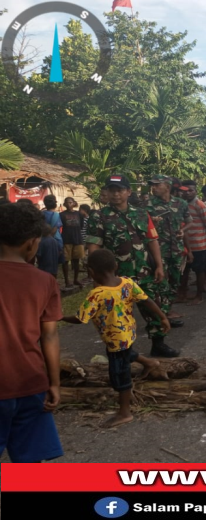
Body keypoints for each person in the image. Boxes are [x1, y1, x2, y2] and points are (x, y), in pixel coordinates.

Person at [61, 249, 167, 427]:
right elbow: (146, 300)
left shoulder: (97, 294)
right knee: (127, 353)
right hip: (128, 333)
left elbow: (80, 318)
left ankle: (124, 412)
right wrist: (162, 317)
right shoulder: (127, 282)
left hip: (116, 341)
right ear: (116, 266)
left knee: (120, 375)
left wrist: (61, 316)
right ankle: (149, 363)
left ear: (91, 271)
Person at [86, 175, 177, 358]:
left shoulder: (142, 214)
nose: (116, 194)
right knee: (119, 314)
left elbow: (152, 241)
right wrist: (96, 274)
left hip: (145, 270)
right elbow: (94, 246)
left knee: (154, 305)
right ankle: (125, 350)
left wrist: (159, 266)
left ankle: (158, 344)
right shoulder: (99, 216)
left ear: (128, 192)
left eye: (120, 190)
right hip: (116, 275)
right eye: (112, 190)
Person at [0, 202, 64, 462]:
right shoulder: (45, 281)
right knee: (29, 463)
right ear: (31, 243)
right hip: (30, 383)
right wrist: (54, 383)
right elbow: (49, 336)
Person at [146, 175, 192, 322]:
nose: (153, 188)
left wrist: (183, 231)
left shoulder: (181, 203)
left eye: (157, 185)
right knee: (161, 282)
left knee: (175, 281)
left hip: (176, 250)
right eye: (152, 185)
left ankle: (167, 309)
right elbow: (140, 226)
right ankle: (162, 314)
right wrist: (152, 223)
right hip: (159, 250)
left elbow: (189, 221)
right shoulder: (147, 205)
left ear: (167, 186)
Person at [179, 180, 206, 305]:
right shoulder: (180, 204)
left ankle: (199, 296)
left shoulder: (200, 205)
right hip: (183, 245)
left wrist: (202, 235)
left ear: (195, 191)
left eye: (191, 190)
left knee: (199, 271)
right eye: (185, 190)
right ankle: (182, 294)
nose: (188, 193)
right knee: (184, 271)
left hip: (199, 245)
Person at [59, 197, 84, 288]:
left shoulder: (79, 214)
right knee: (65, 261)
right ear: (65, 204)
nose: (69, 204)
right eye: (67, 203)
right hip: (66, 240)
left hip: (77, 240)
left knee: (76, 261)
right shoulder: (61, 215)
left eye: (71, 202)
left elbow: (81, 226)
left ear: (74, 203)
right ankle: (66, 280)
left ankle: (75, 279)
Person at [41, 195, 63, 277]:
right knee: (54, 263)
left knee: (43, 262)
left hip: (42, 239)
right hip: (55, 240)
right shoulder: (56, 215)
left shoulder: (41, 214)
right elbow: (54, 229)